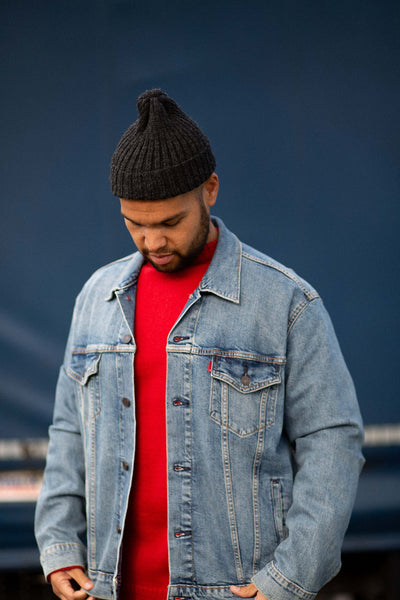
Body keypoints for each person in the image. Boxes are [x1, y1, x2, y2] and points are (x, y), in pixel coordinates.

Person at [35, 89, 364, 600]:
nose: (152, 241)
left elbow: (332, 441)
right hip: (109, 588)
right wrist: (59, 548)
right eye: (134, 224)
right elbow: (68, 431)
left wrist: (287, 581)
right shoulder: (97, 297)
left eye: (169, 222)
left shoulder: (285, 301)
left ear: (210, 190)